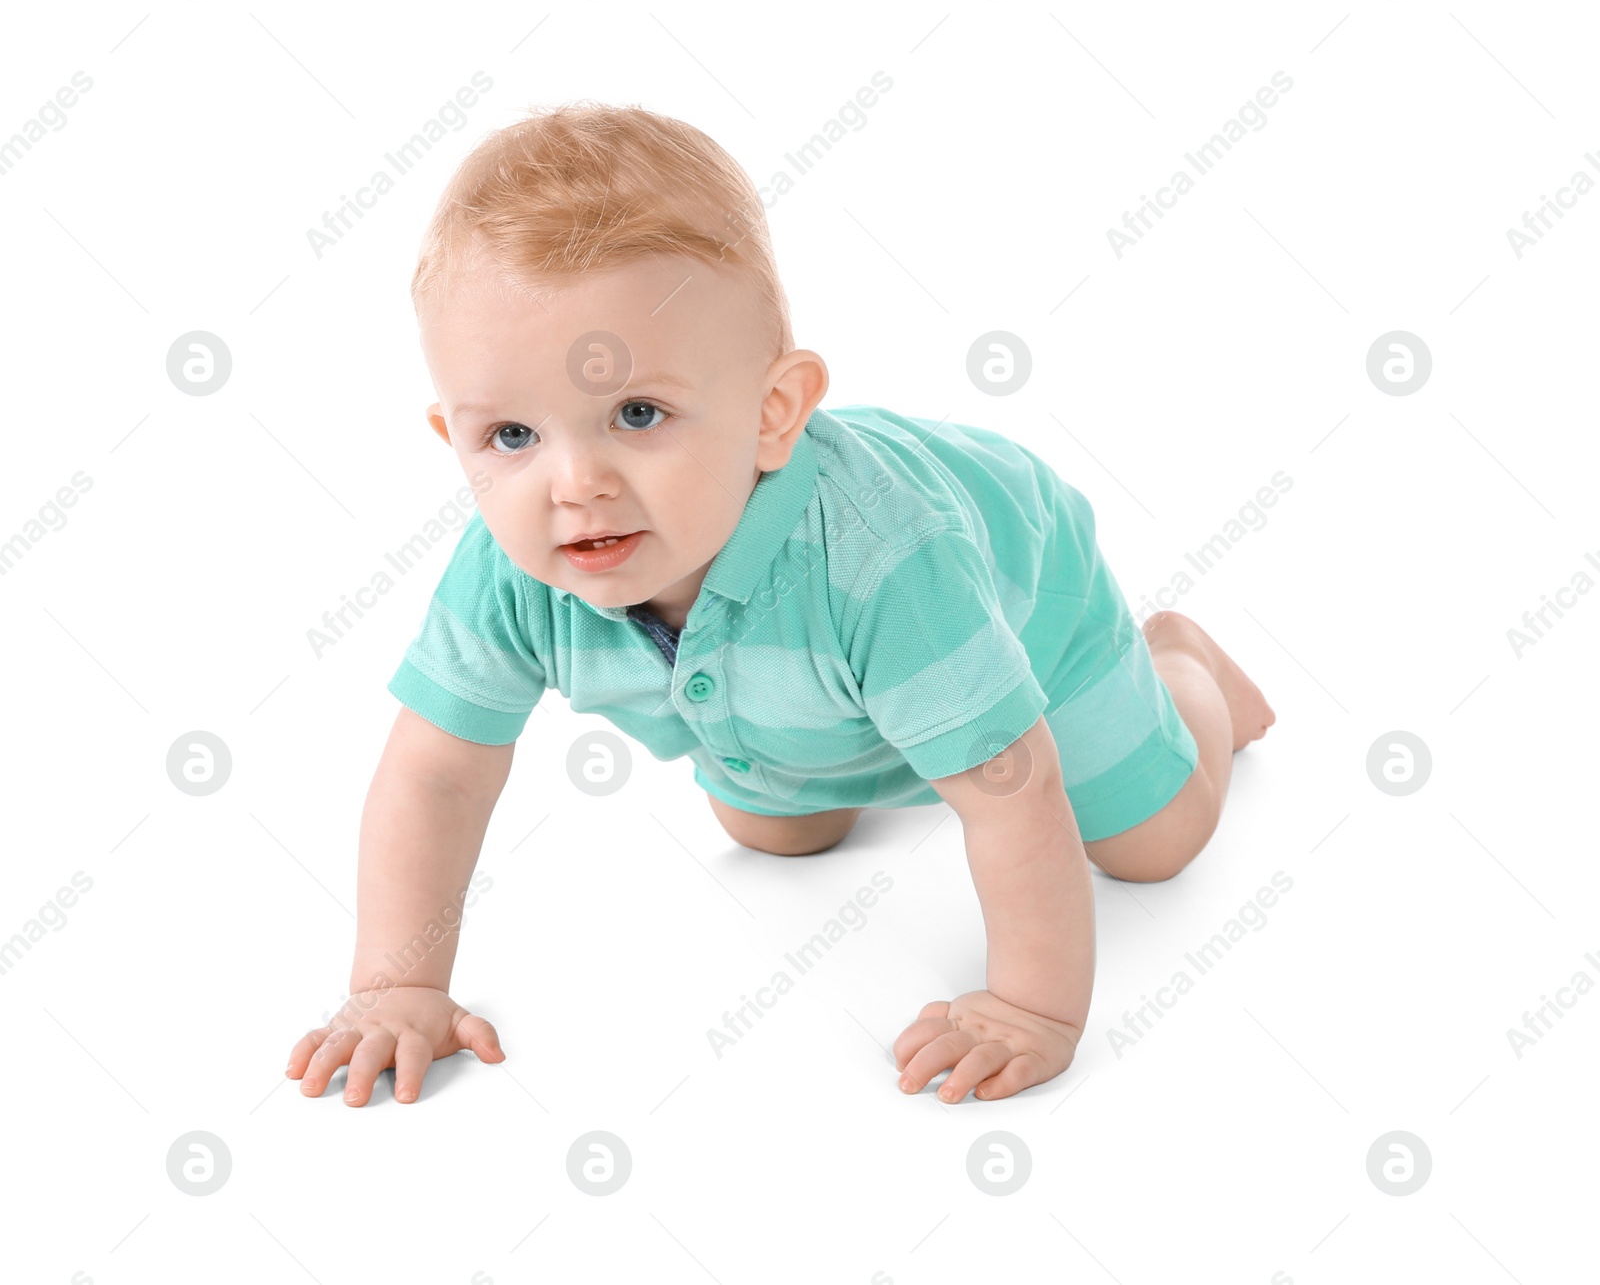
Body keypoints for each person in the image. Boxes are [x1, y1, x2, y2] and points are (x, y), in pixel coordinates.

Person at [285, 102, 1275, 1108]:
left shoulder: (889, 563)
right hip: (816, 680)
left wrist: (1031, 1005)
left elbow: (1010, 785)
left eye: (637, 413)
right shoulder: (509, 565)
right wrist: (395, 984)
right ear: (449, 432)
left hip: (1023, 601)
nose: (572, 482)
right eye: (508, 435)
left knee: (1153, 844)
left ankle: (1181, 665)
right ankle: (854, 734)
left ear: (773, 414)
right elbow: (437, 774)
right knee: (778, 833)